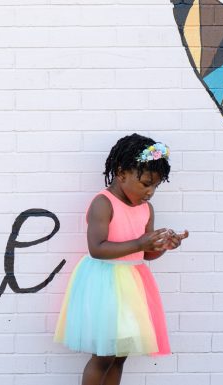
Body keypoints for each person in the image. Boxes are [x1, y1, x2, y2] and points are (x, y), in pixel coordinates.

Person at [53, 133, 189, 385]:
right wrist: (140, 242)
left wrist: (162, 246)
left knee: (119, 356)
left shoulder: (146, 209)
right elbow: (97, 248)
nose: (150, 191)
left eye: (155, 186)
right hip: (105, 283)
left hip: (132, 285)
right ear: (121, 172)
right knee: (104, 356)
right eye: (146, 183)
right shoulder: (104, 203)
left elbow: (146, 253)